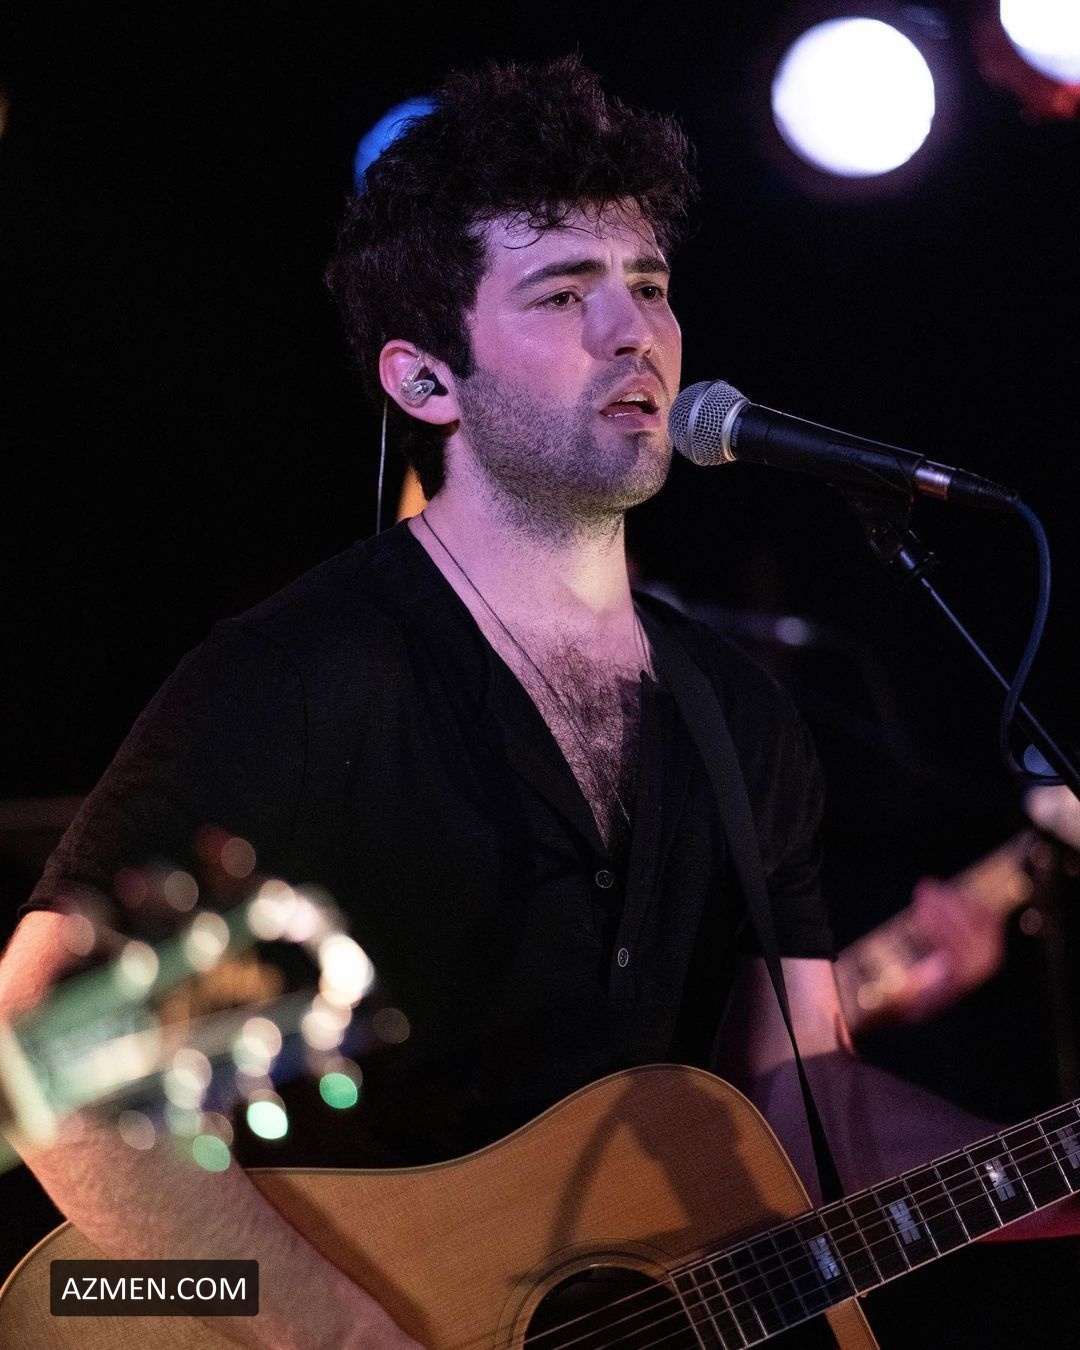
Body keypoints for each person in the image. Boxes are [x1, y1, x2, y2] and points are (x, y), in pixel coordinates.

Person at [1, 55, 1078, 1350]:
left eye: (650, 285)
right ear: (425, 383)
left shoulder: (741, 718)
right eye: (565, 292)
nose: (636, 334)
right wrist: (342, 1333)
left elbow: (803, 1103)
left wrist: (1056, 1177)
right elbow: (43, 1052)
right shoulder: (300, 676)